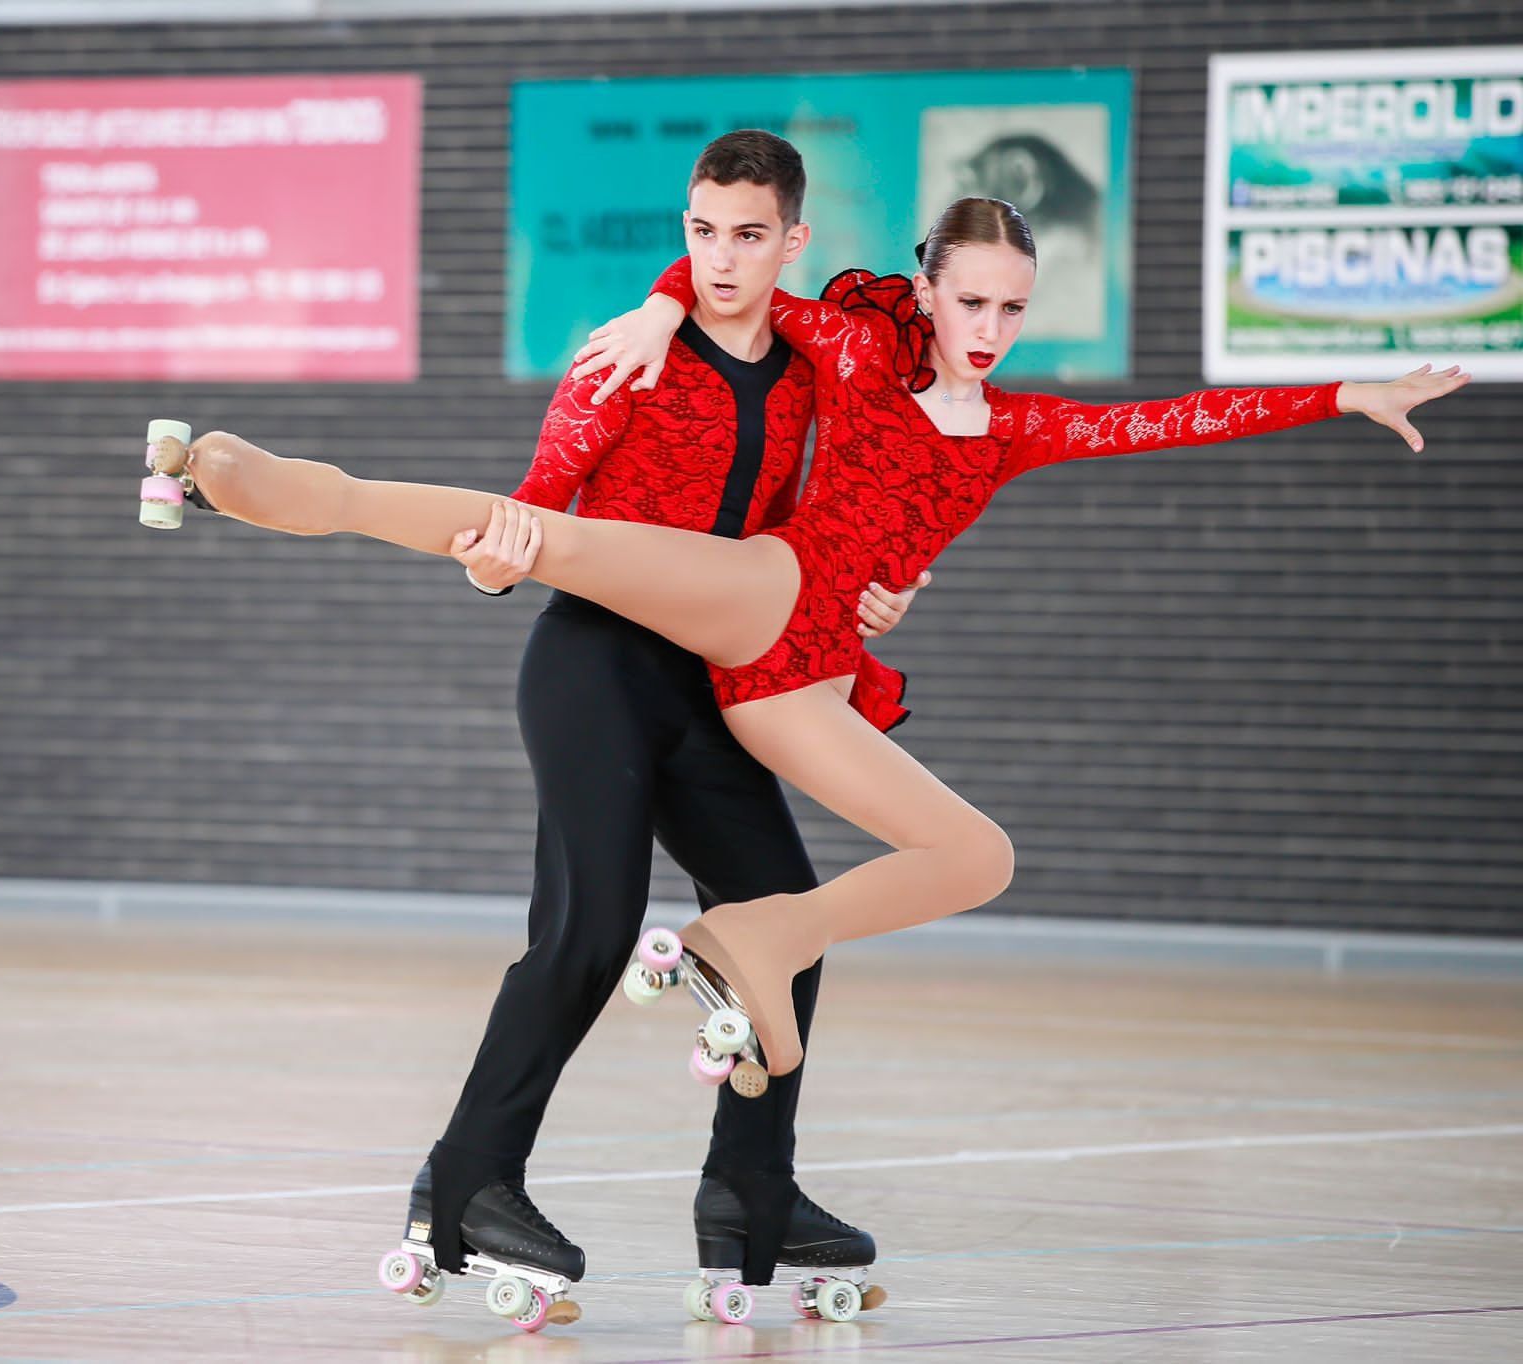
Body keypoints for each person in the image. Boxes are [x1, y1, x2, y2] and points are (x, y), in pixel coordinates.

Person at [164, 188, 1465, 1278]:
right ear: (927, 287)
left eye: (1014, 307)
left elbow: (1168, 420)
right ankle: (285, 487)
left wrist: (1351, 388)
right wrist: (667, 300)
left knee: (977, 855)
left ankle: (760, 966)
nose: (992, 329)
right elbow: (735, 266)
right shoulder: (855, 350)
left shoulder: (1016, 430)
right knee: (554, 538)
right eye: (971, 302)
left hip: (811, 682)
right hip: (762, 600)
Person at [396, 130, 923, 1313]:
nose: (720, 256)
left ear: (792, 240)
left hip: (708, 687)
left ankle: (750, 1192)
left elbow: (797, 534)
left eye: (747, 234)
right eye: (700, 233)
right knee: (587, 927)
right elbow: (523, 518)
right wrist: (491, 561)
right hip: (591, 665)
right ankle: (465, 1182)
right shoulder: (623, 359)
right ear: (682, 231)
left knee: (787, 922)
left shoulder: (804, 373)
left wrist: (868, 589)